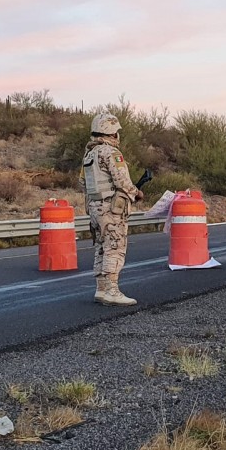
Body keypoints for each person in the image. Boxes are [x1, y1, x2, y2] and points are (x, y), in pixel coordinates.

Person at [80, 113, 144, 306]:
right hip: (111, 209)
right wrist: (137, 193)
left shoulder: (89, 154)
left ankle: (100, 289)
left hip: (94, 207)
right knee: (114, 247)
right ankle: (112, 291)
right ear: (112, 133)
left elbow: (82, 182)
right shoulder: (111, 153)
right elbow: (122, 181)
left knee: (101, 247)